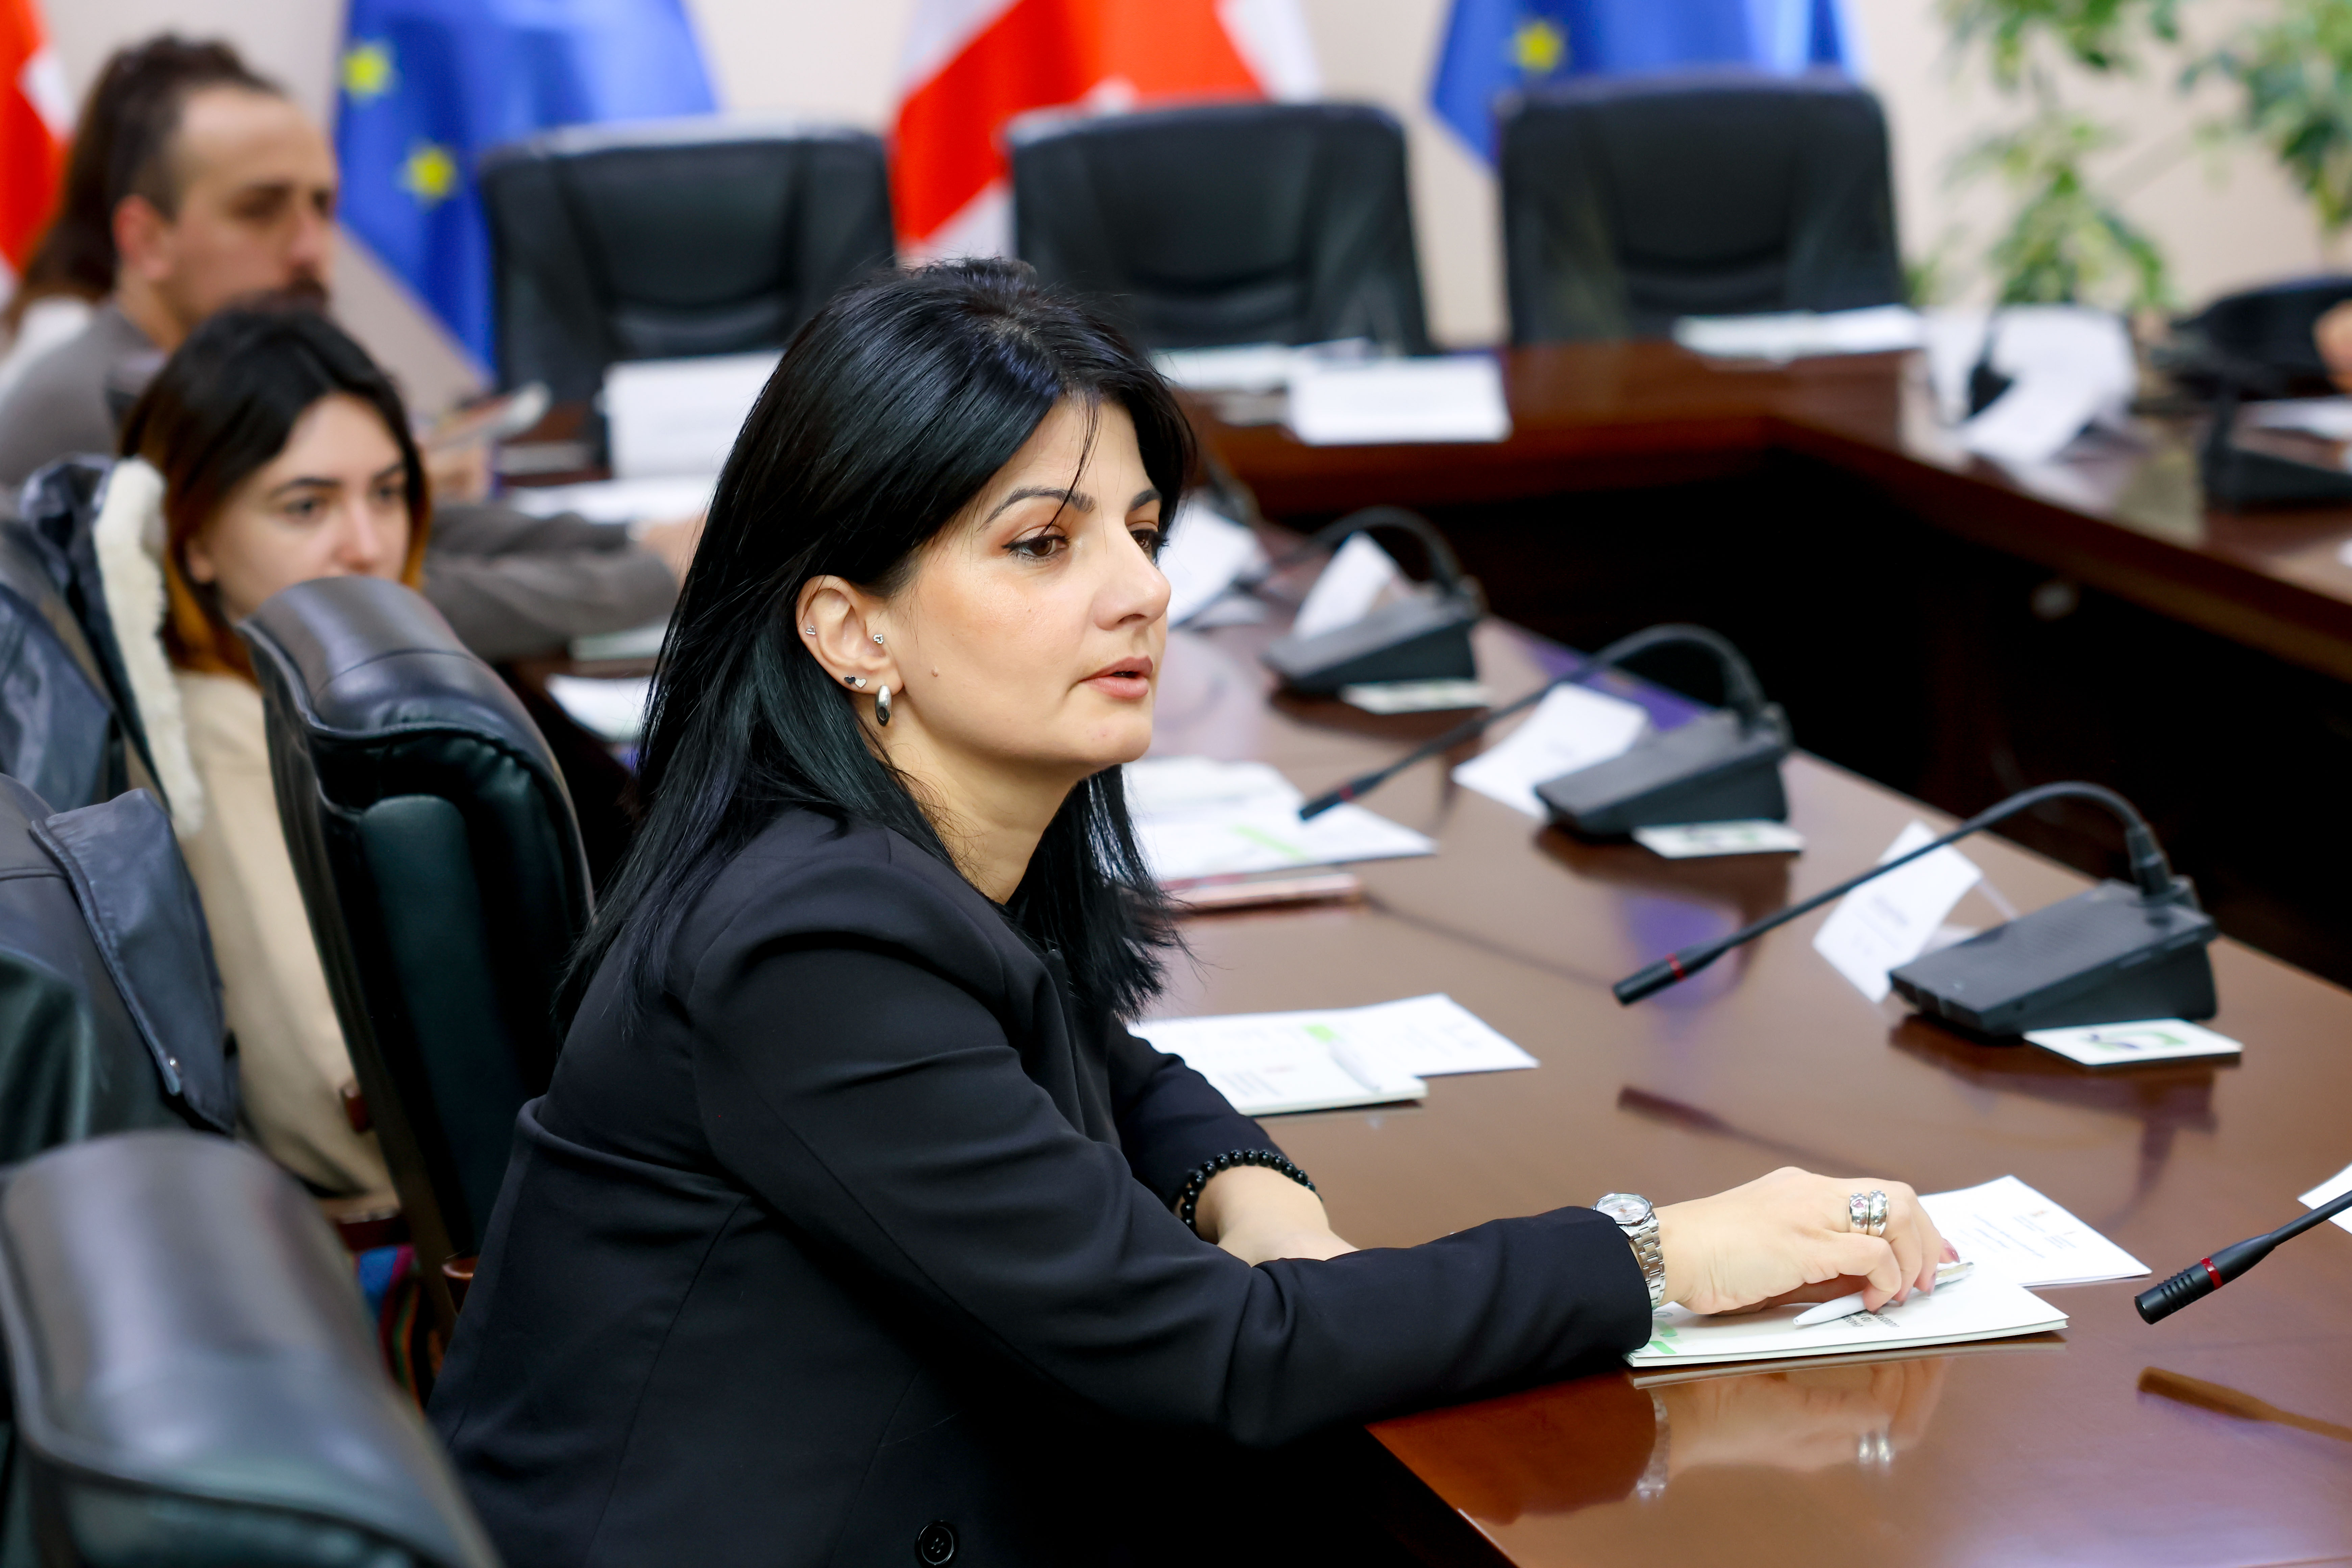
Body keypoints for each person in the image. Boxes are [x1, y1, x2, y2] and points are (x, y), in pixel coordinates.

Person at [428, 260, 1952, 1567]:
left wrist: (1249, 1187)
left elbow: (1095, 1057)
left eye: (1142, 530)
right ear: (850, 627)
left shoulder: (875, 862)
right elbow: (1223, 1356)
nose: (1140, 590)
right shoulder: (808, 945)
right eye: (1044, 543)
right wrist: (1658, 1255)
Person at [0, 35, 689, 663]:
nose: (310, 250)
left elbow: (427, 533)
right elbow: (364, 600)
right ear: (147, 240)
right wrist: (655, 573)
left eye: (322, 208)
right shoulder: (101, 397)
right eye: (260, 210)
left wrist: (636, 536)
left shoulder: (231, 372)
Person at [100, 302, 437, 1204]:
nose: (367, 544)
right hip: (408, 1243)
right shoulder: (224, 736)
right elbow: (332, 1107)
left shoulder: (306, 697)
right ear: (195, 539)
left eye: (388, 492)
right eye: (306, 506)